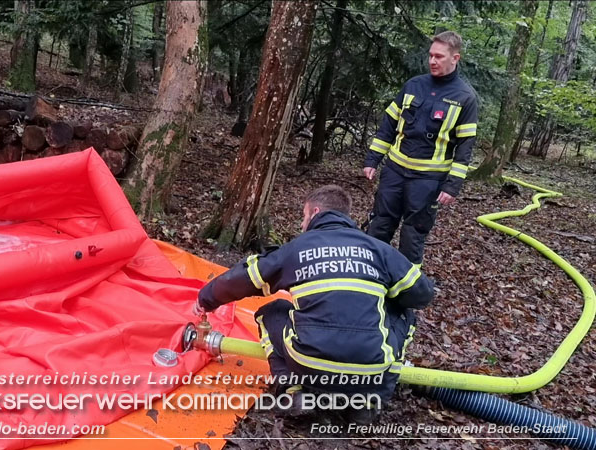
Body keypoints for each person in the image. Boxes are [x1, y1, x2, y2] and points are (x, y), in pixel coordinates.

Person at [194, 185, 434, 422]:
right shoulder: (379, 250)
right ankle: (371, 400)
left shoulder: (296, 250)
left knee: (270, 312)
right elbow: (421, 295)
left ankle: (291, 390)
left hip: (308, 361)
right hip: (370, 368)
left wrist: (206, 299)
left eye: (304, 216)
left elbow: (245, 278)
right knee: (404, 314)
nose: (302, 224)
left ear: (316, 212)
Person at [363, 30, 478, 265]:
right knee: (380, 224)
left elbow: (465, 146)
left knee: (413, 234)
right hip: (395, 170)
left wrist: (452, 185)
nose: (432, 61)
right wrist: (372, 159)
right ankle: (370, 275)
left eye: (439, 57)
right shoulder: (413, 85)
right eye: (430, 56)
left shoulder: (465, 97)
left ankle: (407, 291)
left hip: (428, 179)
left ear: (455, 58)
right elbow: (390, 124)